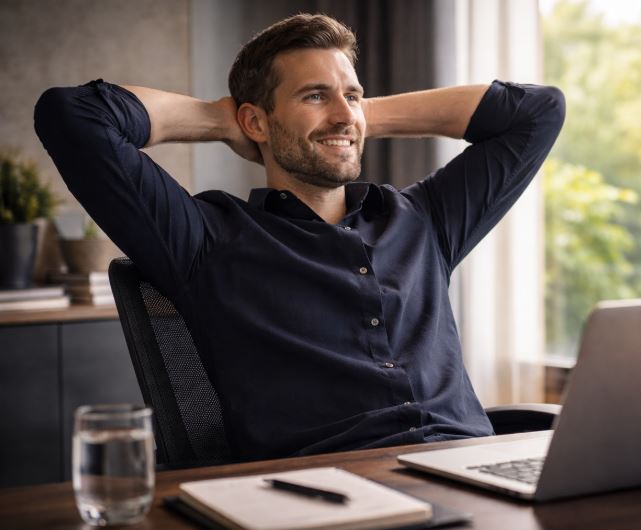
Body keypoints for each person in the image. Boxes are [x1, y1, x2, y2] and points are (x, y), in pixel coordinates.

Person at [34, 13, 565, 461]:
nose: (343, 112)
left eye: (352, 95)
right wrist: (225, 121)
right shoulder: (204, 238)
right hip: (327, 493)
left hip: (470, 470)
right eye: (314, 95)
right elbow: (73, 115)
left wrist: (351, 116)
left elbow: (539, 111)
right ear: (256, 123)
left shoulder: (422, 219)